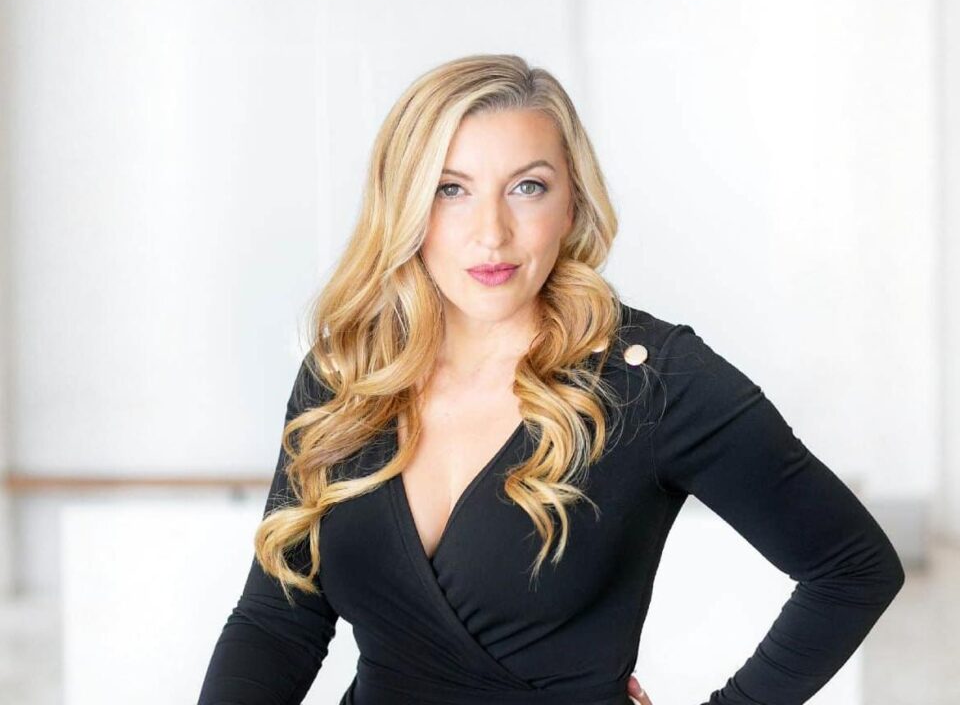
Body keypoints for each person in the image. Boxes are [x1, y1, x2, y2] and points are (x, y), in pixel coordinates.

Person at [197, 54, 904, 705]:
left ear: (571, 204)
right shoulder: (350, 373)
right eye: (450, 190)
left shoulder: (653, 381)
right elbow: (278, 620)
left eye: (527, 187)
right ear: (403, 204)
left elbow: (853, 569)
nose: (492, 233)